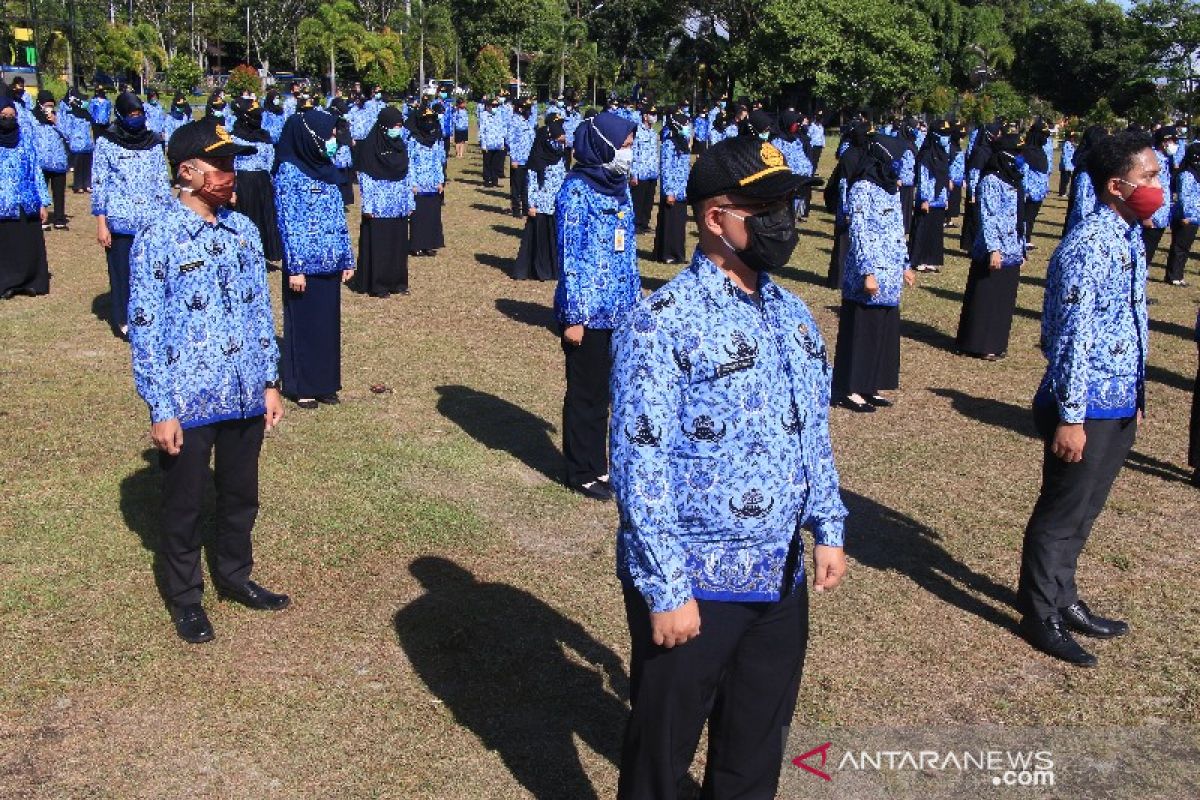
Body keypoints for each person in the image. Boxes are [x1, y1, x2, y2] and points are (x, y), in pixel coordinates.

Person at [609, 133, 848, 800]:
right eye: (768, 209)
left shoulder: (794, 317)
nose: (786, 224)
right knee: (662, 754)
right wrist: (667, 588)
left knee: (754, 750)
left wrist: (827, 525)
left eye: (790, 207)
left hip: (777, 580)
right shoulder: (661, 322)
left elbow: (812, 432)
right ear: (716, 218)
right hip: (694, 585)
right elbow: (638, 461)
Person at [128, 117, 289, 645]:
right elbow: (147, 330)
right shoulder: (158, 236)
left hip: (244, 390)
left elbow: (260, 313)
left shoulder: (242, 230)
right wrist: (161, 407)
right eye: (219, 166)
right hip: (189, 396)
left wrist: (269, 381)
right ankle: (185, 598)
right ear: (188, 172)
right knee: (185, 502)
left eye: (231, 164)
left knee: (242, 494)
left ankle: (236, 576)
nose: (230, 174)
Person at [1018, 130, 1159, 667]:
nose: (1157, 185)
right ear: (1116, 186)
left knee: (1085, 511)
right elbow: (1071, 338)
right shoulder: (1089, 244)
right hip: (1083, 406)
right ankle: (1040, 614)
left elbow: (1127, 324)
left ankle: (1063, 598)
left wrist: (1135, 394)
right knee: (1060, 514)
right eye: (1148, 176)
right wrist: (1072, 418)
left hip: (1117, 400)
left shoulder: (1127, 234)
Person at [554, 112, 640, 501]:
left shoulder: (619, 186)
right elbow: (570, 257)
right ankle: (582, 470)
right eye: (624, 146)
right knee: (586, 394)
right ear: (603, 145)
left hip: (622, 311)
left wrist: (636, 301)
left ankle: (604, 465)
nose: (628, 153)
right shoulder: (575, 190)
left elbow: (629, 253)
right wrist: (574, 318)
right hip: (588, 315)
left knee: (614, 394)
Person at [272, 108, 355, 409]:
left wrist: (347, 258)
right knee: (305, 324)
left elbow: (338, 217)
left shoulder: (327, 168)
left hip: (331, 260)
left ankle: (326, 383)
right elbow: (287, 222)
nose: (334, 140)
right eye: (330, 134)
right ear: (312, 136)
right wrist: (295, 268)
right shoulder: (289, 172)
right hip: (303, 266)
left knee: (327, 324)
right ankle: (303, 385)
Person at [833, 132, 916, 412]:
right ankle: (852, 388)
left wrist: (905, 264)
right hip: (868, 274)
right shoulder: (862, 188)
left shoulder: (890, 188)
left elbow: (897, 231)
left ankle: (872, 385)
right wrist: (868, 272)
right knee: (862, 331)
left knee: (883, 331)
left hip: (890, 274)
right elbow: (859, 233)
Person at [92, 92, 173, 339]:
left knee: (153, 272)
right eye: (130, 115)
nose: (135, 119)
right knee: (123, 273)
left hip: (152, 220)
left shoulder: (153, 141)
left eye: (139, 114)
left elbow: (162, 181)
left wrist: (167, 216)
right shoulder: (106, 142)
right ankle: (125, 319)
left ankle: (154, 317)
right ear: (120, 115)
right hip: (120, 222)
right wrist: (102, 224)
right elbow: (99, 184)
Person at [956, 132, 1027, 360]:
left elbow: (1019, 217)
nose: (1019, 159)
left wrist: (1021, 248)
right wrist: (993, 249)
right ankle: (979, 342)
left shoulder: (1014, 180)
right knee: (986, 296)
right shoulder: (990, 180)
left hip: (1012, 248)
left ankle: (996, 341)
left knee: (1003, 298)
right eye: (1016, 154)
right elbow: (988, 216)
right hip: (993, 249)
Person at [349, 106, 414, 298]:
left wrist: (409, 202)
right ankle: (378, 285)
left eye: (400, 125)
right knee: (380, 246)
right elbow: (365, 179)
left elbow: (408, 176)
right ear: (384, 126)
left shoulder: (401, 147)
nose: (398, 129)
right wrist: (368, 205)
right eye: (394, 125)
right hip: (378, 207)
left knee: (398, 246)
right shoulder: (370, 148)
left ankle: (398, 283)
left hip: (398, 205)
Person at [0, 95, 51, 299]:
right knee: (7, 245)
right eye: (3, 116)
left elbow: (36, 170)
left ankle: (31, 282)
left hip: (27, 200)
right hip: (4, 202)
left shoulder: (24, 139)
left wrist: (43, 202)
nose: (8, 119)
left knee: (29, 244)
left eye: (11, 115)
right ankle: (7, 283)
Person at [513, 114, 568, 281]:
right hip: (540, 207)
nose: (561, 142)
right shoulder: (537, 157)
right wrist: (530, 205)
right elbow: (531, 184)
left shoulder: (560, 156)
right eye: (558, 139)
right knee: (539, 240)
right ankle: (539, 270)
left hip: (556, 205)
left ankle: (554, 269)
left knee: (554, 240)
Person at [230, 98, 284, 264]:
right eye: (253, 116)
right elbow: (230, 163)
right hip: (243, 182)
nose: (257, 119)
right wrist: (232, 189)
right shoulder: (234, 138)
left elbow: (271, 159)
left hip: (262, 181)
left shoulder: (264, 136)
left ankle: (263, 252)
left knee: (264, 217)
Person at [911, 119, 952, 272]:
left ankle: (931, 259)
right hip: (927, 200)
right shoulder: (926, 155)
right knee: (923, 229)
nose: (946, 138)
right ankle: (919, 259)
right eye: (942, 135)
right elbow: (924, 178)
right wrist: (925, 199)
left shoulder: (943, 154)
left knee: (935, 232)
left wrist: (945, 198)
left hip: (940, 200)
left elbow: (944, 177)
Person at [651, 111, 692, 265]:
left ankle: (678, 253)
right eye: (685, 125)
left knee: (679, 224)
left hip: (682, 190)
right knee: (669, 222)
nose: (687, 128)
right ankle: (666, 253)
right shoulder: (668, 143)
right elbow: (666, 169)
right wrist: (669, 191)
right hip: (672, 191)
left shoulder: (683, 142)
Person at [406, 106, 447, 257]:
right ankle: (417, 245)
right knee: (418, 216)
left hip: (432, 185)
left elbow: (438, 161)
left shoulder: (435, 139)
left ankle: (430, 244)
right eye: (426, 120)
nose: (429, 123)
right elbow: (409, 163)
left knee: (432, 215)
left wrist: (440, 181)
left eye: (431, 120)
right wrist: (413, 183)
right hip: (419, 185)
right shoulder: (413, 140)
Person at [31, 91, 69, 231]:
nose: (49, 108)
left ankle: (59, 219)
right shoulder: (32, 118)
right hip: (40, 162)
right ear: (39, 104)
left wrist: (56, 122)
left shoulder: (59, 117)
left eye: (52, 106)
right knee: (41, 191)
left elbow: (69, 136)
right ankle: (42, 219)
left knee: (59, 192)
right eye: (46, 105)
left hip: (58, 161)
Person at [1165, 142, 1200, 287]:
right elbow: (1184, 196)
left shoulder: (1196, 173)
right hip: (1186, 216)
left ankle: (1178, 274)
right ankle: (1174, 276)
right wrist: (1187, 215)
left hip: (1195, 216)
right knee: (1179, 247)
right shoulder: (1186, 174)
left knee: (1185, 247)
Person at [1063, 125, 1107, 235]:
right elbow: (1081, 203)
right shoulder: (1086, 169)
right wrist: (1089, 225)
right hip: (1084, 227)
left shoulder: (1098, 164)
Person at [1143, 126, 1177, 270]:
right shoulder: (1153, 159)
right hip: (1152, 215)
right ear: (1163, 142)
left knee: (1149, 253)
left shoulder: (1166, 159)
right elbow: (1145, 187)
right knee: (1144, 254)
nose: (1175, 144)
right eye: (1172, 140)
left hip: (1162, 215)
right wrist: (1146, 215)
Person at [630, 105, 660, 234]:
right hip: (640, 172)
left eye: (655, 114)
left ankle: (645, 223)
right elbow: (633, 152)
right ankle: (636, 224)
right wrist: (633, 174)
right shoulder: (637, 131)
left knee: (648, 201)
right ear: (645, 116)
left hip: (652, 172)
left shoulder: (653, 133)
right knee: (638, 200)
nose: (654, 117)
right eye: (651, 114)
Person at [1021, 123, 1051, 247]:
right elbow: (1024, 171)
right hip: (1029, 191)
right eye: (1043, 135)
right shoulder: (1026, 151)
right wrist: (1026, 189)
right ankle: (1022, 238)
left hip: (1039, 191)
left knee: (1032, 216)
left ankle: (1027, 237)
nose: (1045, 139)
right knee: (1025, 215)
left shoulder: (1041, 152)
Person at [506, 101, 535, 218]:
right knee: (517, 186)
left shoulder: (528, 121)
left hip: (528, 158)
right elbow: (510, 141)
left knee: (526, 185)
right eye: (527, 109)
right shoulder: (515, 121)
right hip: (518, 159)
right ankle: (516, 209)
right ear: (521, 109)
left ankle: (525, 207)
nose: (529, 111)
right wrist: (513, 158)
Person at [479, 98, 507, 187]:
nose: (495, 107)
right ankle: (487, 180)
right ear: (487, 106)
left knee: (496, 163)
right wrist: (483, 144)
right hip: (488, 143)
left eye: (496, 106)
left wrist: (502, 143)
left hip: (498, 143)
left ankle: (495, 181)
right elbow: (482, 130)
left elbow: (503, 129)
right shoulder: (483, 115)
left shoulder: (499, 115)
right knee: (487, 163)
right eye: (493, 106)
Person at [1058, 131, 1076, 197]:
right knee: (1064, 180)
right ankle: (1062, 192)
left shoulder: (1071, 145)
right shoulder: (1066, 144)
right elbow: (1064, 155)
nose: (1073, 138)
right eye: (1071, 137)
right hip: (1066, 165)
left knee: (1067, 179)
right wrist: (1065, 165)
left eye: (1073, 137)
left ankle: (1064, 191)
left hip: (1070, 165)